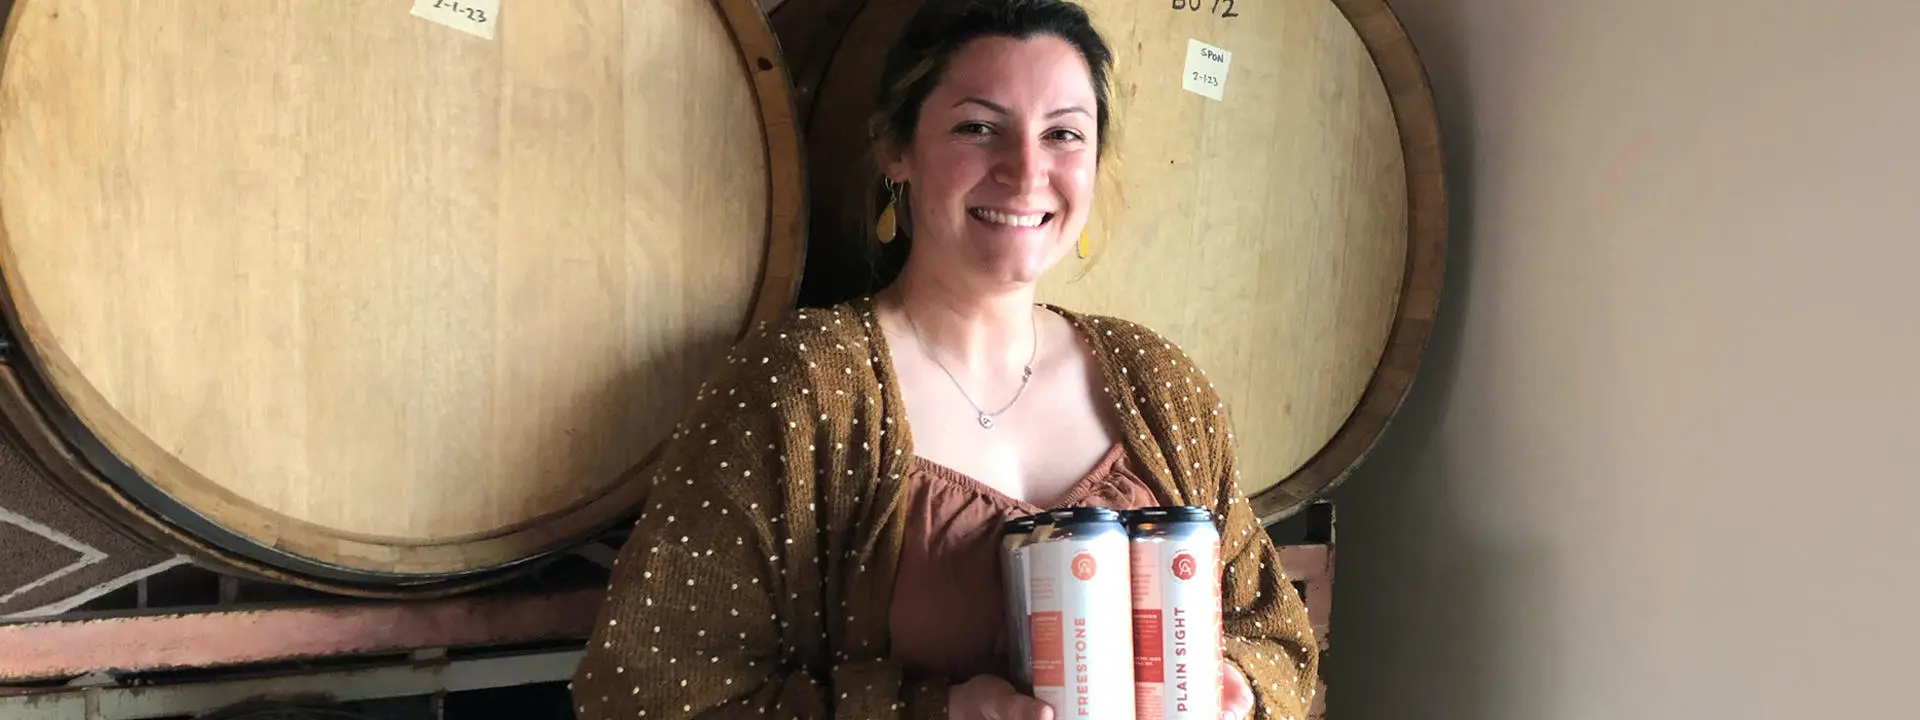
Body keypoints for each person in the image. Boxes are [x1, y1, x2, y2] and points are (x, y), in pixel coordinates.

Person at [569, 1, 1320, 718]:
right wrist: (935, 711)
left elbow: (1277, 637)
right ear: (897, 151)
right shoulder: (799, 386)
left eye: (1063, 134)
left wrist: (1234, 688)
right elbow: (644, 695)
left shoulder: (1157, 380)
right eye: (979, 127)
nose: (1026, 171)